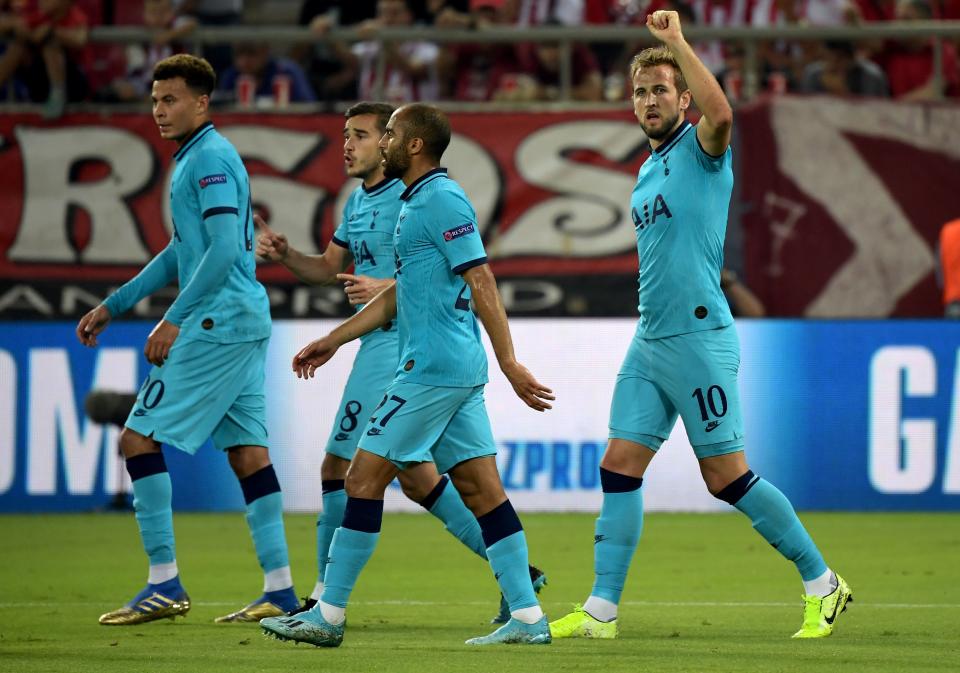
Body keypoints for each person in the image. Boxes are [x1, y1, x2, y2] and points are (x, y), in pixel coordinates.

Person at [548, 11, 852, 641]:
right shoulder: (645, 169)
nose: (648, 100)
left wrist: (677, 43)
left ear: (681, 98)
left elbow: (723, 118)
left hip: (699, 337)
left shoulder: (702, 149)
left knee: (727, 478)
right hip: (650, 338)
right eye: (639, 91)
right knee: (619, 465)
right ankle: (602, 611)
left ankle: (824, 583)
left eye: (660, 89)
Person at [259, 103, 555, 647]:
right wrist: (335, 338)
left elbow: (481, 277)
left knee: (360, 479)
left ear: (413, 145)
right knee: (481, 491)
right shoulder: (415, 201)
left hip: (431, 370)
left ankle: (329, 614)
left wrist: (510, 361)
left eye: (389, 133)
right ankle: (529, 617)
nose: (385, 142)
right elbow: (403, 290)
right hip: (451, 368)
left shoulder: (440, 198)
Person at [76, 53, 299, 626]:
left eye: (170, 99)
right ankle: (280, 591)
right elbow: (184, 250)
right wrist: (116, 303)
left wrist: (173, 318)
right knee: (249, 454)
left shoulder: (210, 160)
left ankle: (163, 583)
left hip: (216, 324)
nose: (159, 110)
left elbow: (226, 248)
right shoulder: (198, 160)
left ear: (202, 102)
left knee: (137, 439)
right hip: (241, 322)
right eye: (154, 100)